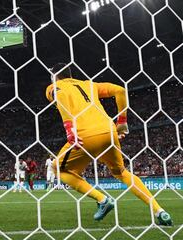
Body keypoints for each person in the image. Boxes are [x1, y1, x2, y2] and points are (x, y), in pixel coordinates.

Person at [45, 63, 172, 225]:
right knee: (121, 172)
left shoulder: (53, 86)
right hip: (109, 132)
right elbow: (120, 90)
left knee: (57, 168)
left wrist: (69, 130)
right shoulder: (90, 84)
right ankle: (159, 211)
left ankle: (102, 199)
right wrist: (122, 121)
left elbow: (60, 95)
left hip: (84, 135)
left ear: (54, 75)